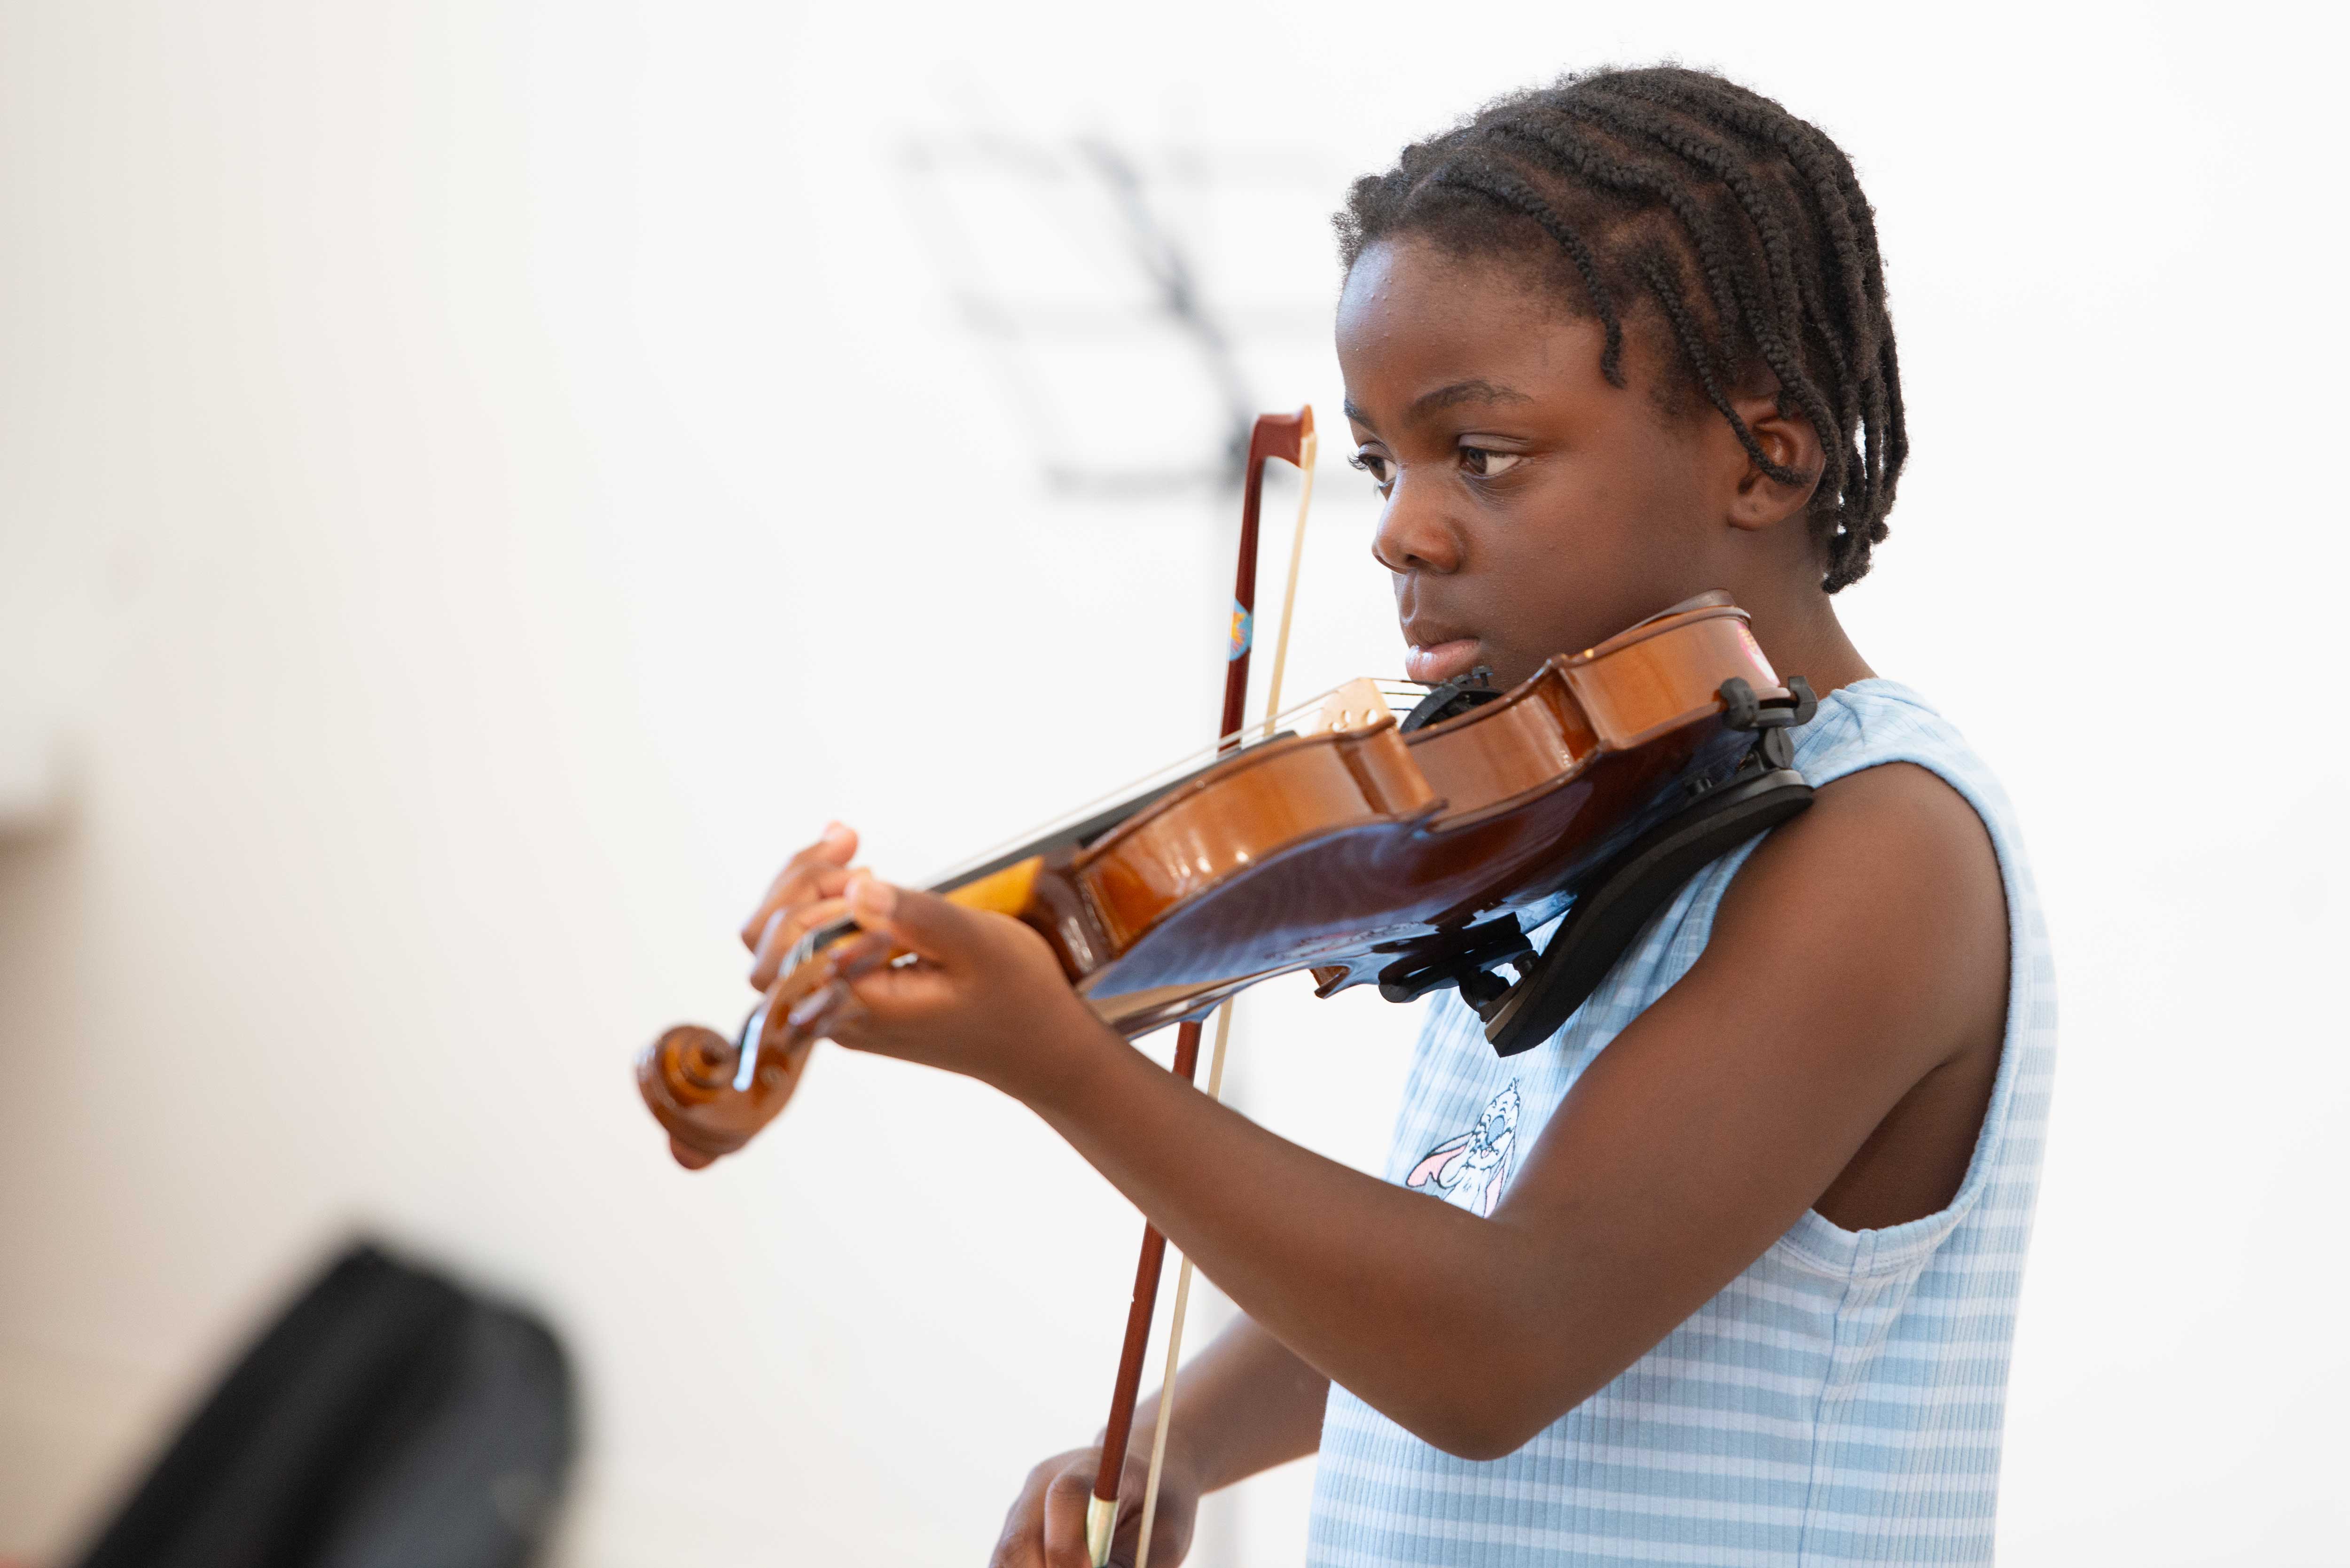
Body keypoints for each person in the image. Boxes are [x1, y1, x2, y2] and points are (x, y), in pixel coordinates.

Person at [741, 64, 2053, 1568]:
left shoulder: (1880, 849)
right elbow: (1433, 1248)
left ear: (1767, 455)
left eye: (1479, 455)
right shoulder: (1578, 819)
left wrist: (1062, 1062)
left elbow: (1505, 1327)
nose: (1397, 530)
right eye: (1380, 460)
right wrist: (1181, 1439)